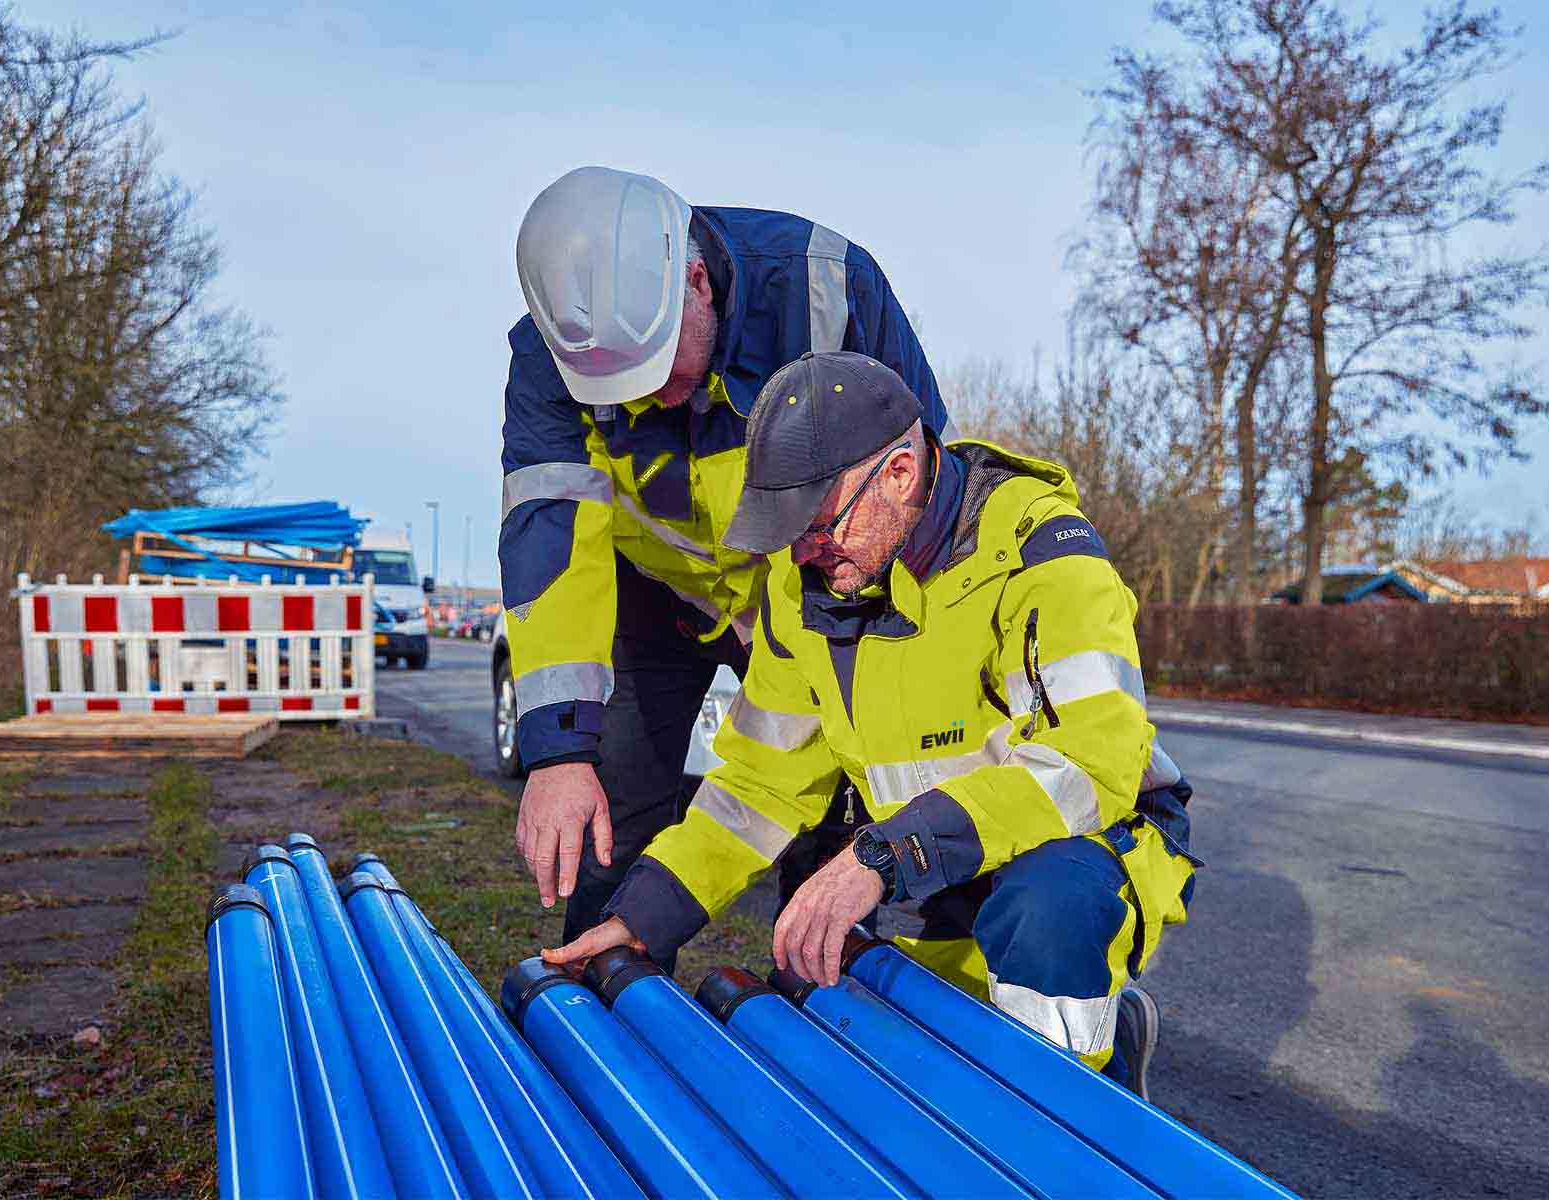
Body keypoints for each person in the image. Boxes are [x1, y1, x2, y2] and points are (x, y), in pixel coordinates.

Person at [546, 350, 1198, 1098]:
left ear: (897, 473)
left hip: (1082, 844)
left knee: (1047, 926)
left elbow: (1091, 760)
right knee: (929, 1047)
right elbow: (760, 784)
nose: (801, 551)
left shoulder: (1040, 551)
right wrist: (644, 915)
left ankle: (1083, 1117)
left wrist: (886, 855)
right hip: (934, 863)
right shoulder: (806, 589)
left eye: (817, 524)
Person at [501, 167, 952, 962]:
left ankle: (823, 1011)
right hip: (659, 599)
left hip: (812, 595)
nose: (655, 401)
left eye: (660, 372)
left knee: (826, 821)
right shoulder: (555, 351)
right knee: (614, 809)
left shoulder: (828, 291)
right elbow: (551, 545)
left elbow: (912, 489)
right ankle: (604, 1005)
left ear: (697, 282)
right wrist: (559, 752)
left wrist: (890, 656)